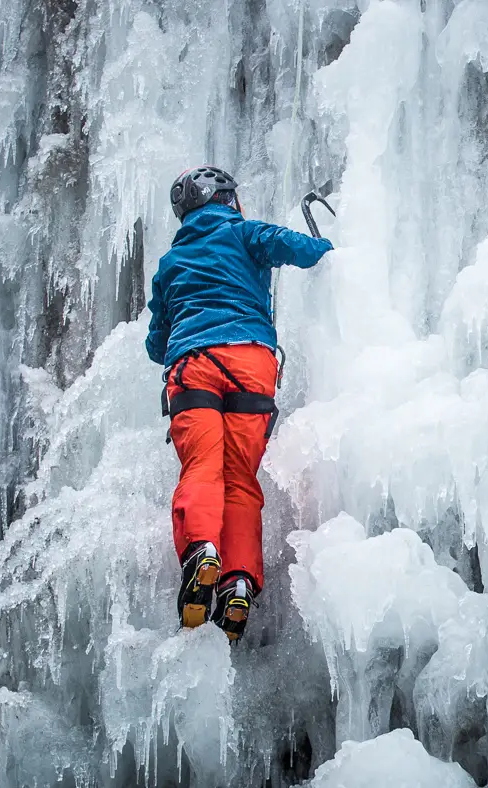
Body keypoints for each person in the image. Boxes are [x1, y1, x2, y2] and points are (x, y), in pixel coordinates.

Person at [146, 165, 332, 641]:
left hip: (194, 367)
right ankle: (238, 582)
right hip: (251, 367)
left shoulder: (170, 264)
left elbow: (155, 344)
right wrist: (325, 242)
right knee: (240, 479)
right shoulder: (246, 233)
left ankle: (202, 550)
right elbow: (304, 251)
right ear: (228, 200)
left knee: (202, 467)